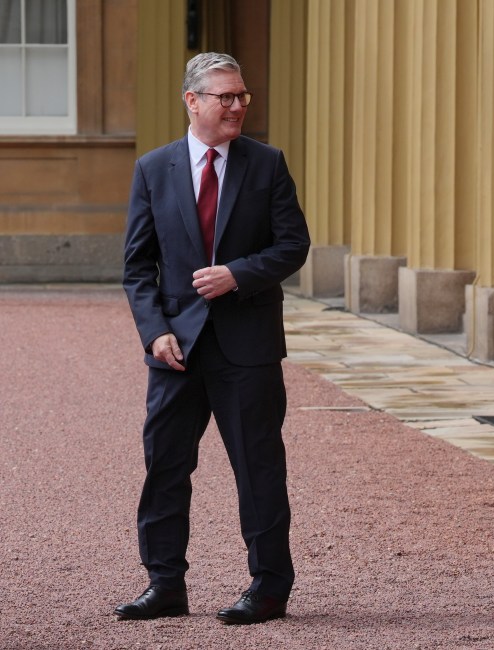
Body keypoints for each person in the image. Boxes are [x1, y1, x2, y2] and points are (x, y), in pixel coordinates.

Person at [116, 52, 310, 625]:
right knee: (165, 468)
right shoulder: (154, 169)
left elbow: (292, 246)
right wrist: (154, 335)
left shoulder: (267, 164)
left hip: (246, 346)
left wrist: (238, 274)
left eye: (242, 96)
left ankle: (269, 588)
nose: (238, 106)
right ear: (192, 101)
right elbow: (137, 267)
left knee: (259, 469)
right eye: (225, 97)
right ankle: (164, 584)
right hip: (176, 350)